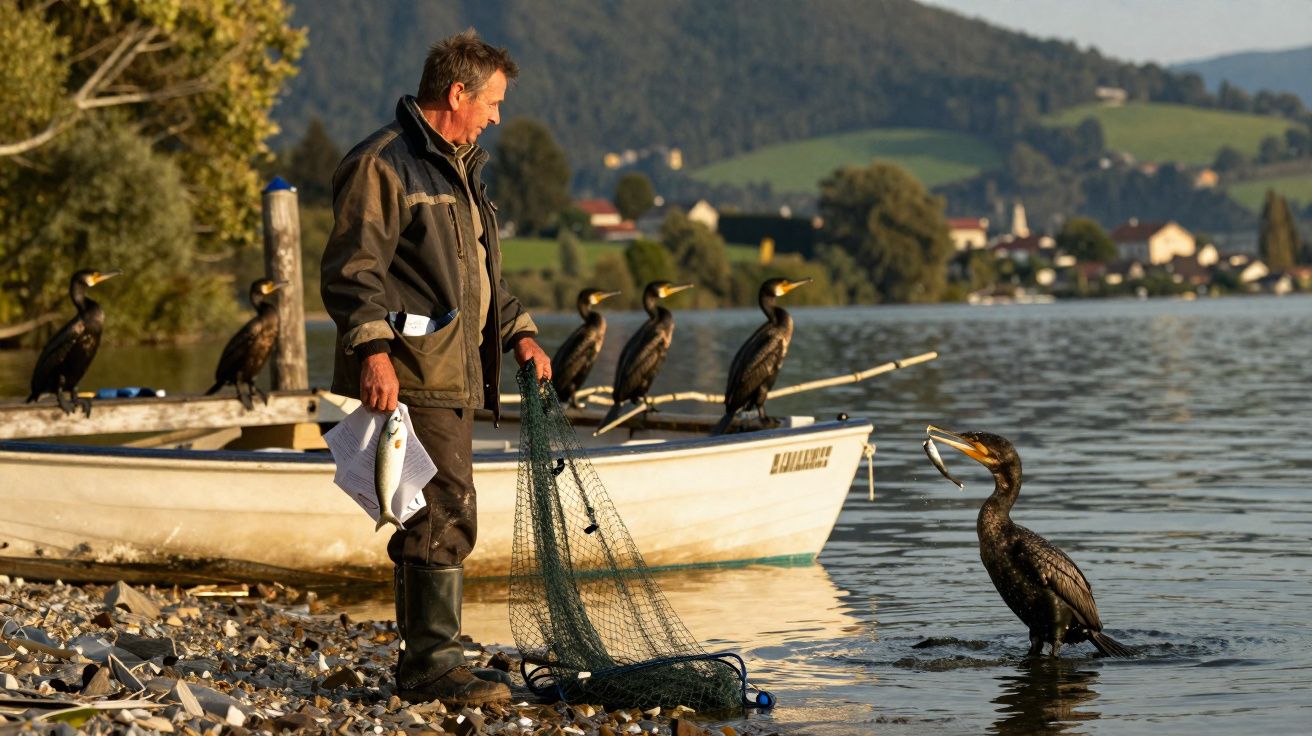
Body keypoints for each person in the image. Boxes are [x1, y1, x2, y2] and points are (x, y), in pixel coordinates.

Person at [320, 29, 551, 706]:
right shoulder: (382, 165)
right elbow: (350, 271)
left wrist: (522, 335)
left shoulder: (460, 169)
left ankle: (434, 656)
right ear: (457, 94)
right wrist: (373, 354)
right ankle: (432, 666)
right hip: (413, 372)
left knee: (440, 507)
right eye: (493, 102)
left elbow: (475, 279)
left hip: (454, 371)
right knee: (442, 509)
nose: (497, 116)